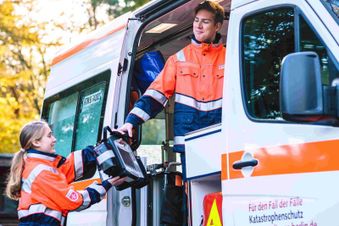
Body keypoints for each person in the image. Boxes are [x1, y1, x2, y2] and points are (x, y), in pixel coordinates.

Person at [117, 0, 225, 179]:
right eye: (196, 20)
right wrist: (131, 121)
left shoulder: (229, 57)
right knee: (194, 197)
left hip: (222, 138)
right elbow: (154, 96)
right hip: (190, 143)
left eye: (205, 21)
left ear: (217, 26)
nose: (198, 25)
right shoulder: (178, 59)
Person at [6, 120, 125, 226]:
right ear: (36, 142)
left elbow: (68, 168)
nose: (54, 139)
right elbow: (74, 201)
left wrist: (100, 148)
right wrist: (104, 186)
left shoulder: (39, 165)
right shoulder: (42, 172)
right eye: (49, 136)